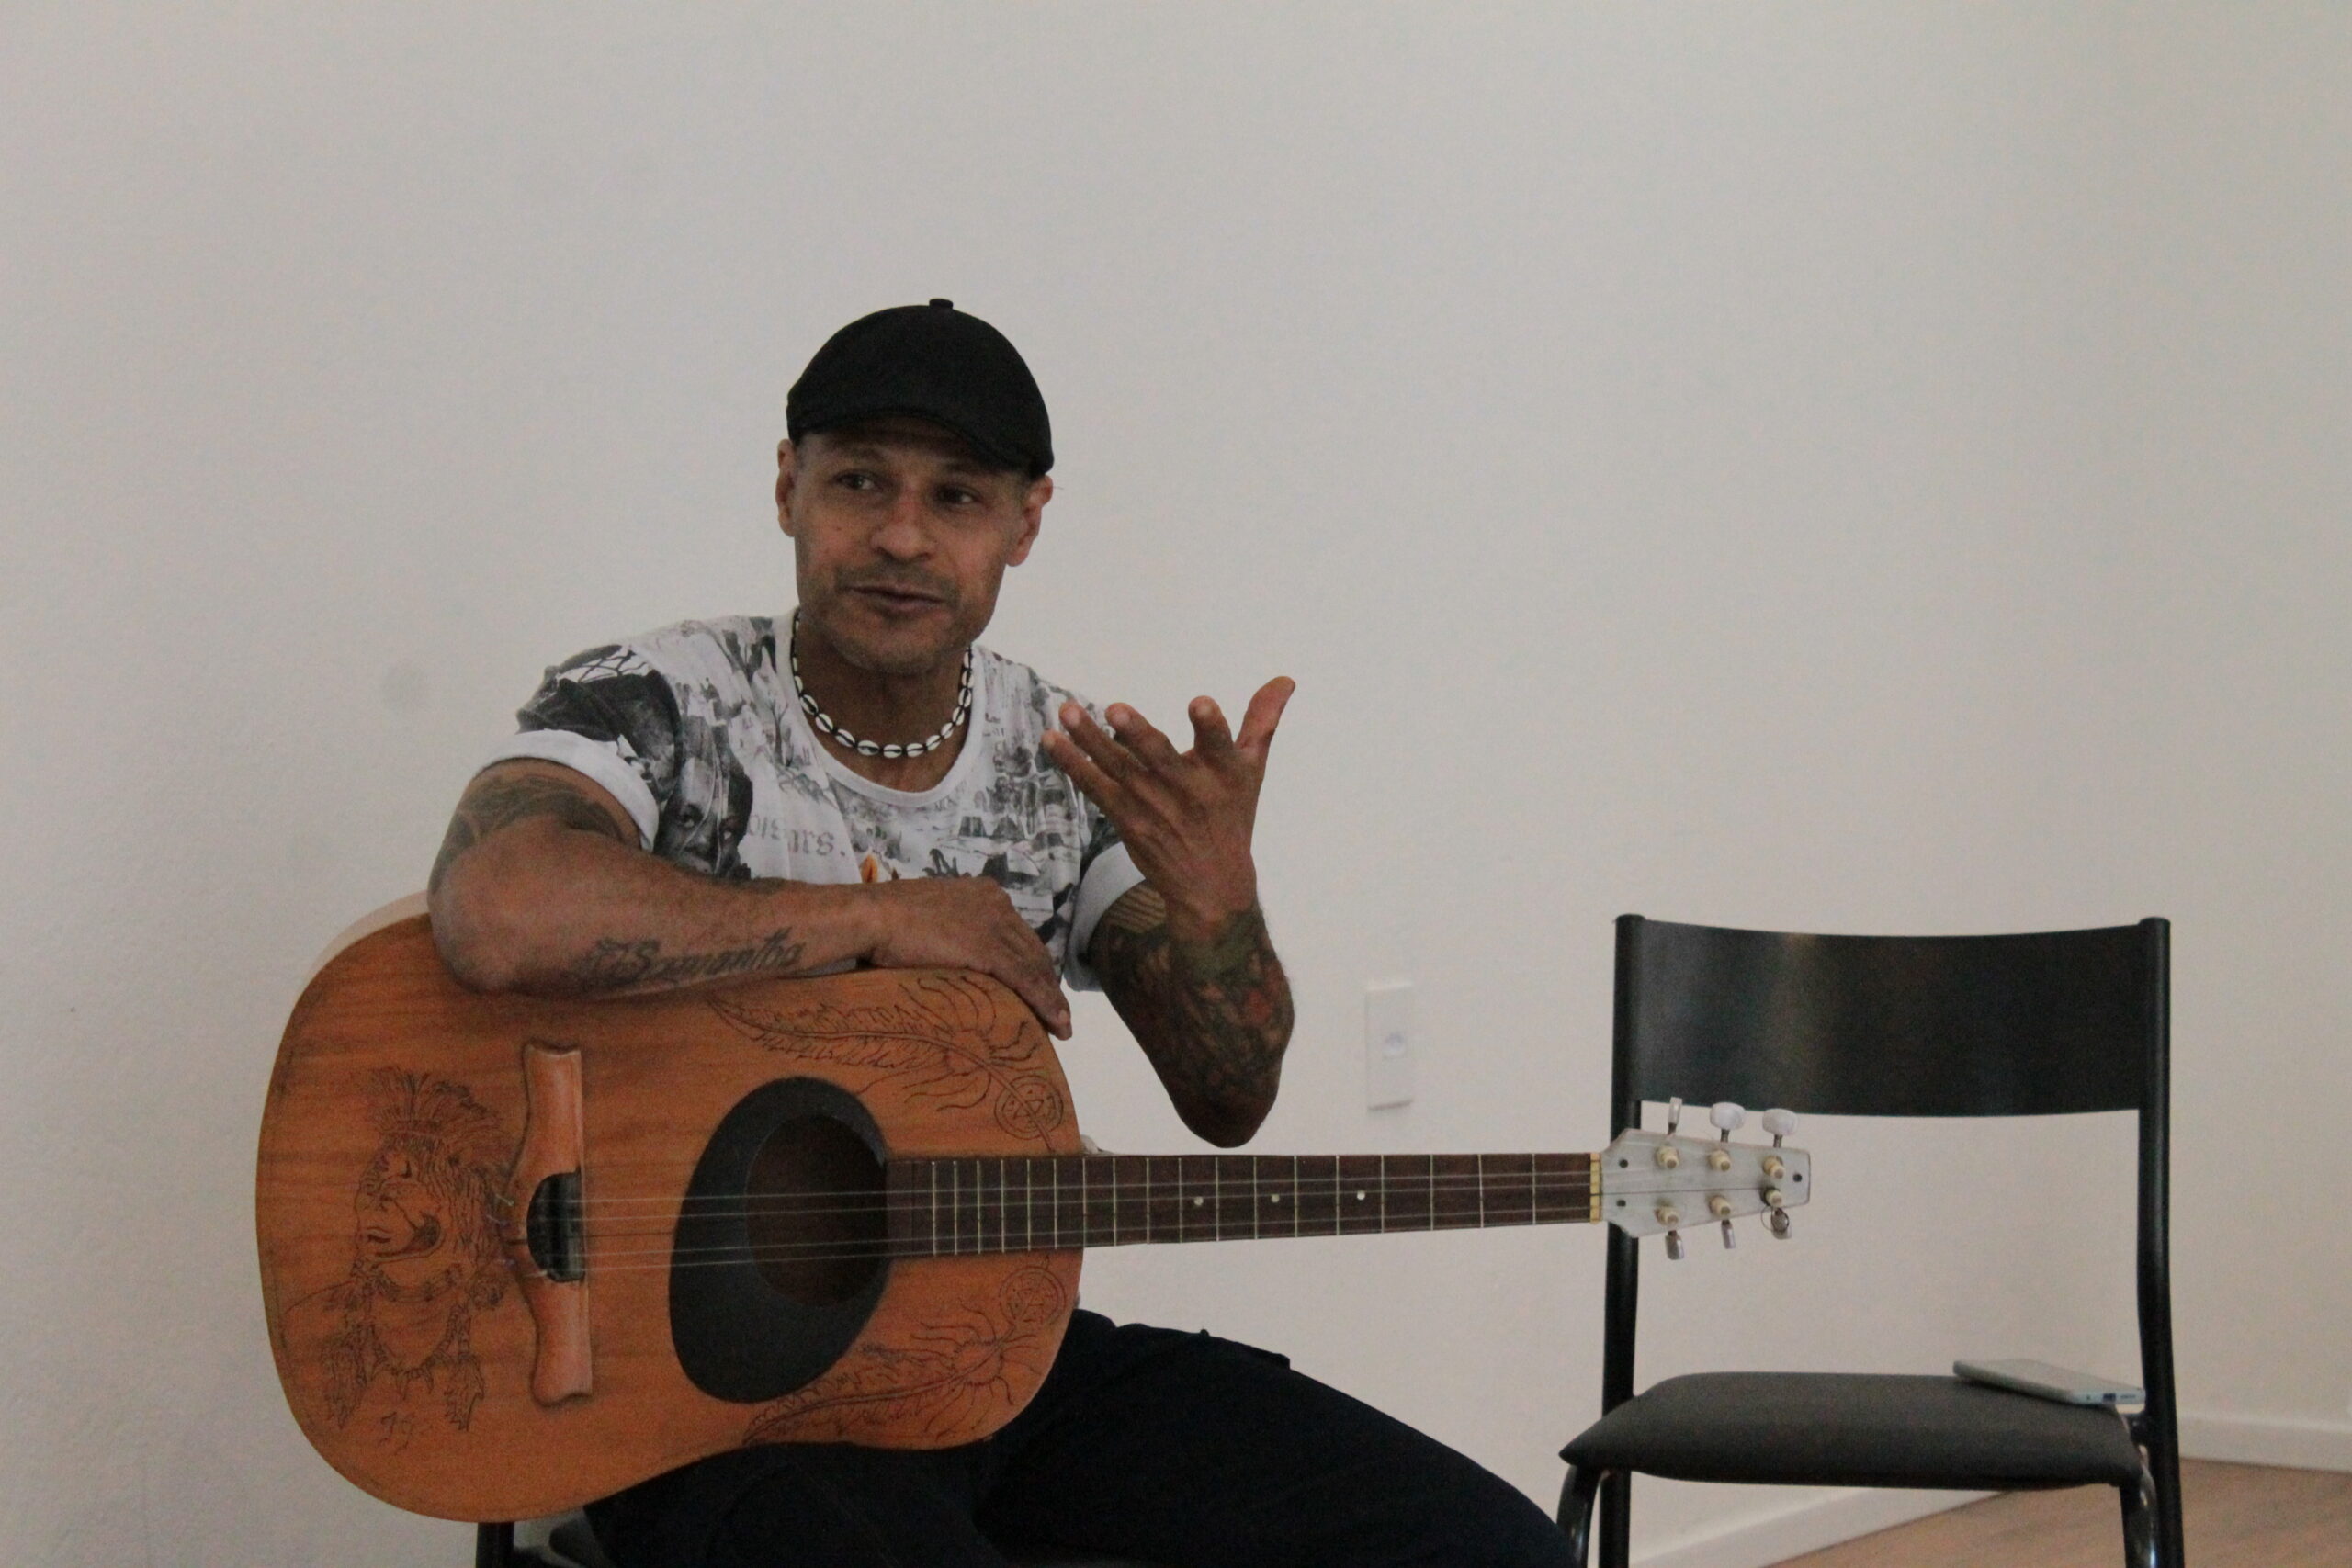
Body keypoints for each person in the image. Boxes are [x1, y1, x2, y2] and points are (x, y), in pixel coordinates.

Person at [427, 299, 1570, 1568]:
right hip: (703, 1418)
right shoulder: (660, 701)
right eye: (860, 481)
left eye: (958, 497)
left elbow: (1228, 1100)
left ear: (1026, 523)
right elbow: (499, 909)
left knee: (1489, 1549)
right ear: (788, 487)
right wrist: (879, 916)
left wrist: (1221, 911)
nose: (902, 535)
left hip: (985, 1365)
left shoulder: (1066, 761)